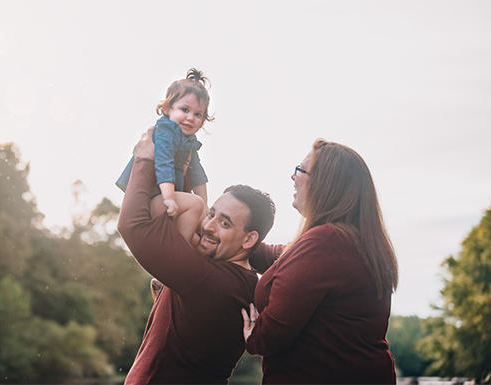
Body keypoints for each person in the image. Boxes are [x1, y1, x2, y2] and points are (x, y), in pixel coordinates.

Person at [117, 127, 276, 384]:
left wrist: (144, 158)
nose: (208, 226)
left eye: (225, 224)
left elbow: (131, 225)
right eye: (211, 214)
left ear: (249, 239)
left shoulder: (213, 281)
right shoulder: (242, 281)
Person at [241, 139, 399, 384]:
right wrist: (224, 234)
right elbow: (276, 256)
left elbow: (270, 336)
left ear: (325, 184)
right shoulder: (348, 241)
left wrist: (253, 334)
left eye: (300, 170)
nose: (293, 177)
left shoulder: (324, 242)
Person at [116, 68, 213, 247]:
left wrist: (205, 207)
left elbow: (197, 173)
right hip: (154, 199)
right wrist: (169, 197)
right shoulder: (166, 131)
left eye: (197, 114)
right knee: (194, 204)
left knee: (202, 227)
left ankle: (179, 263)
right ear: (168, 108)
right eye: (185, 109)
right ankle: (177, 253)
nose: (190, 118)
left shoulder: (189, 141)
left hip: (169, 200)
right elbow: (163, 162)